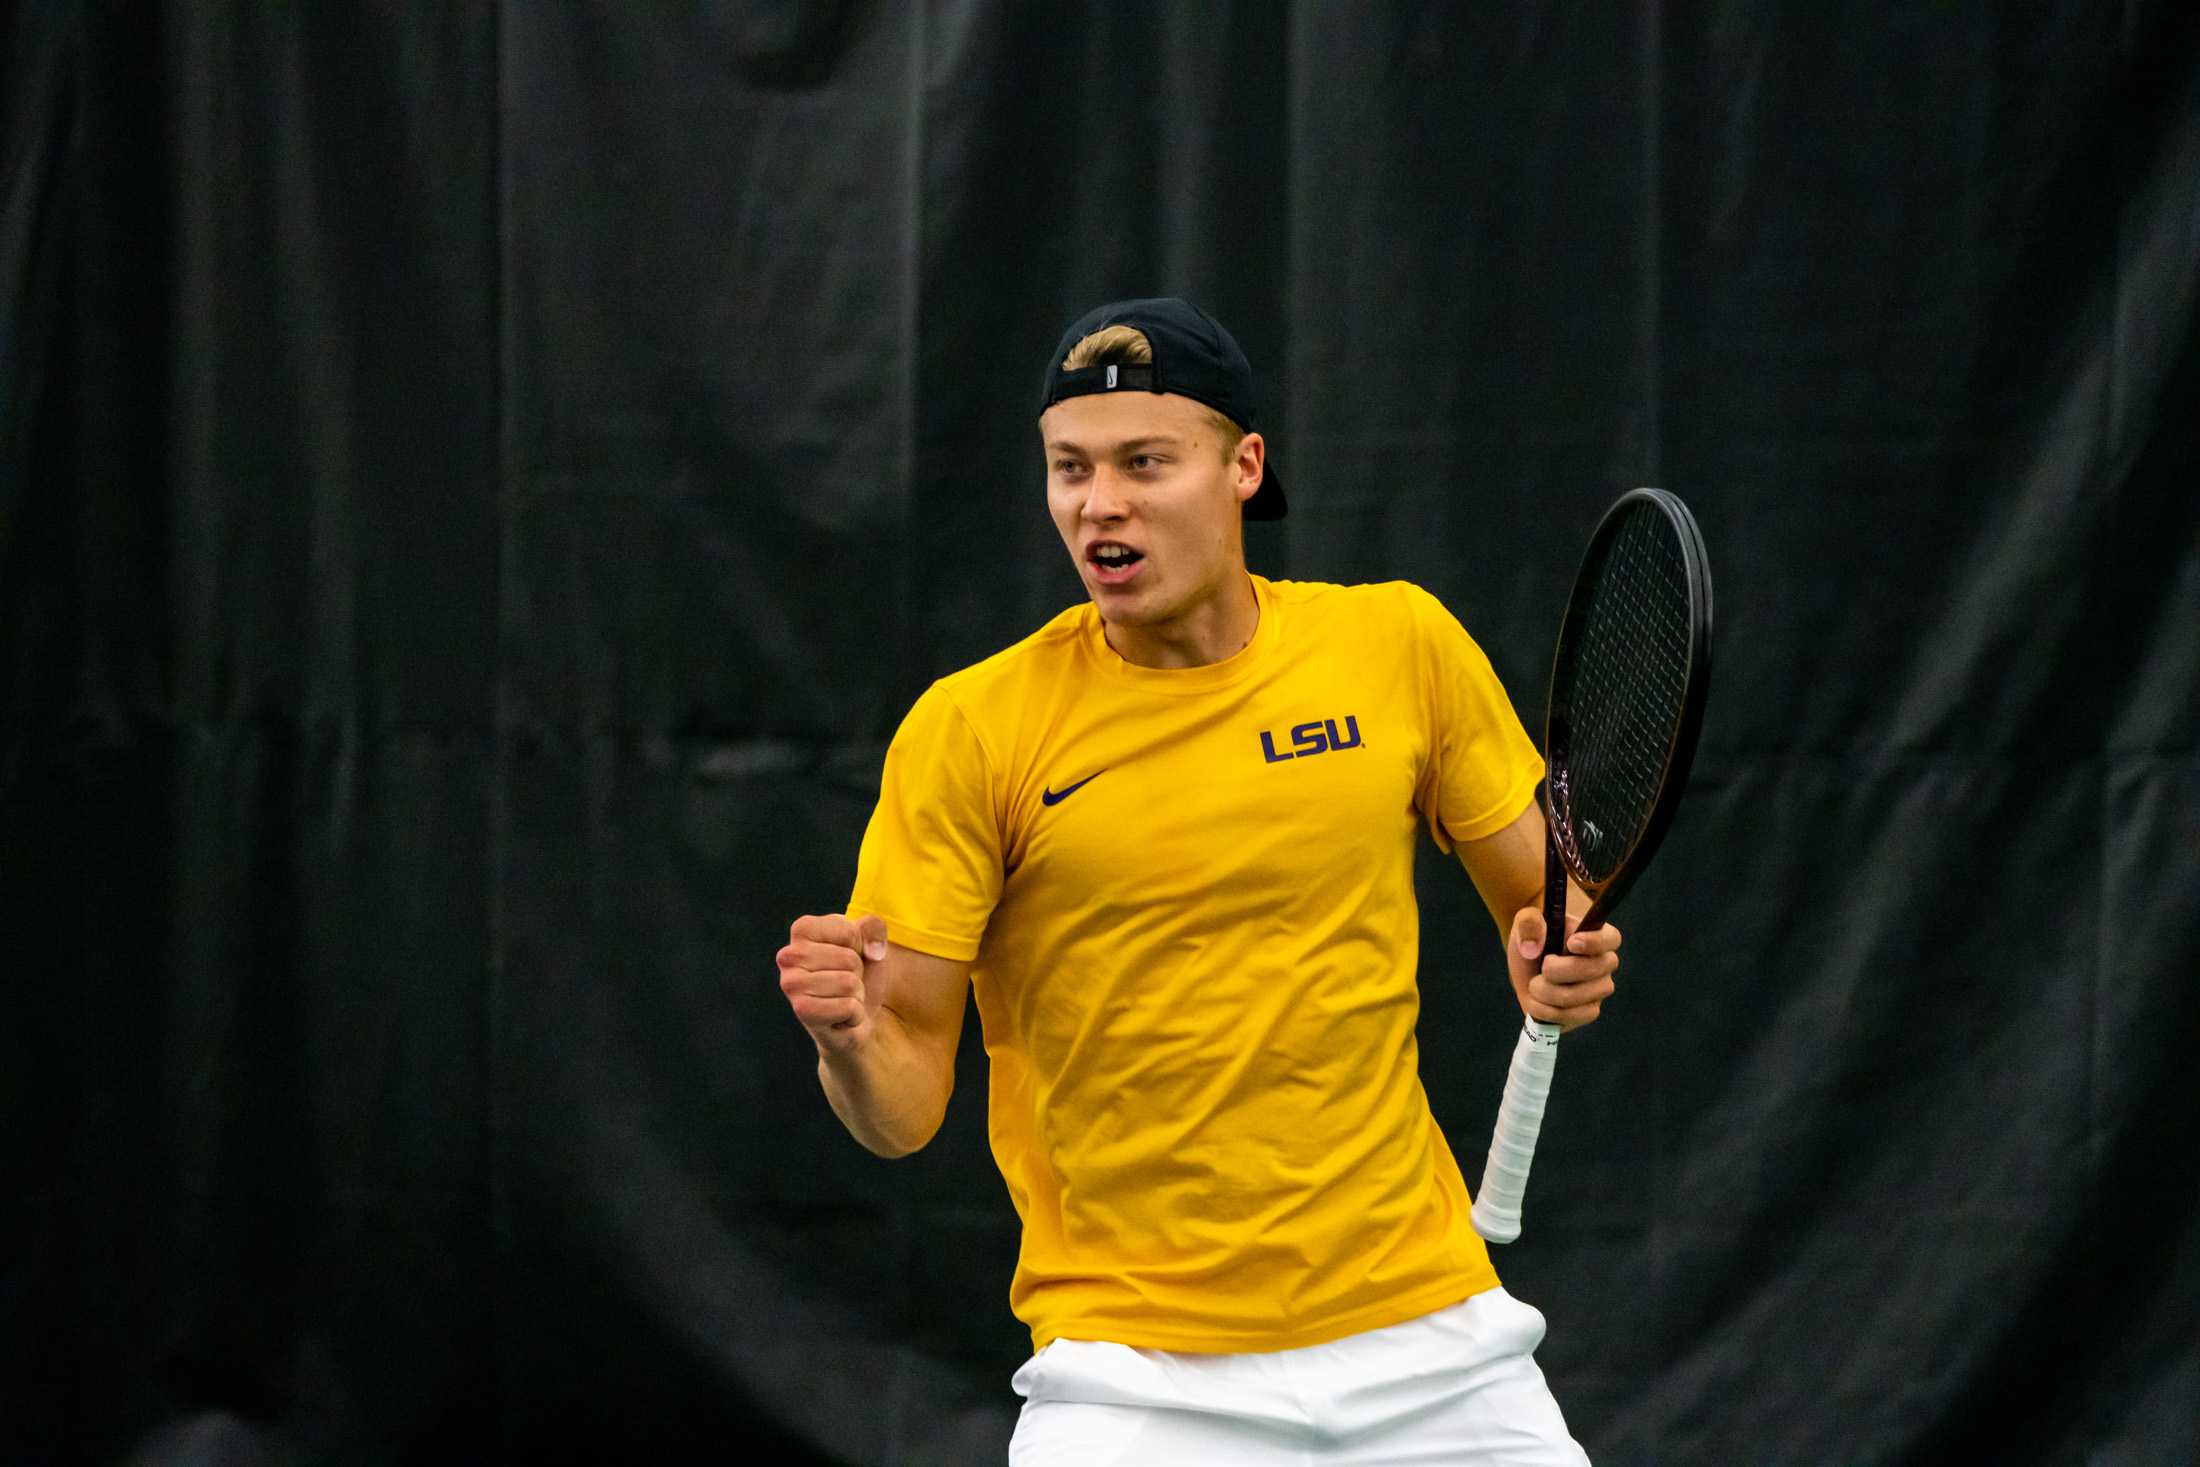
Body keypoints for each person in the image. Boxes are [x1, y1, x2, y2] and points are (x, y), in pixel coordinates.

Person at [775, 297, 1620, 1464]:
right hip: (1134, 1381)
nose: (1098, 503)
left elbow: (1548, 913)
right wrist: (851, 1038)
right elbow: (902, 1114)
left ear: (1242, 467)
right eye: (1068, 468)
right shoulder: (972, 730)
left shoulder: (1399, 646)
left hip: (1432, 1340)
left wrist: (1557, 961)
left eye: (1143, 463)